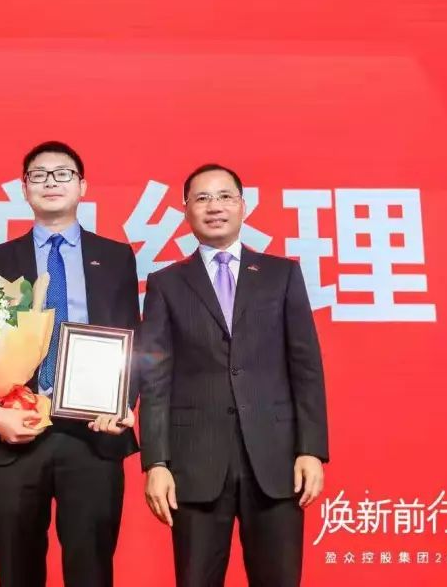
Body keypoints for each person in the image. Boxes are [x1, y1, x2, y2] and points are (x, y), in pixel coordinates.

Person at [137, 164, 330, 587]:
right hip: (195, 464)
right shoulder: (166, 283)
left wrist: (311, 449)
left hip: (276, 460)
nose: (215, 207)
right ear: (186, 210)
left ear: (243, 206)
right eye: (202, 198)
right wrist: (156, 462)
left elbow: (306, 367)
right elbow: (154, 380)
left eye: (225, 196)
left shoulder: (281, 275)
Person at [0, 141, 140, 587]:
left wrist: (122, 402)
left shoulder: (116, 257)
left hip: (92, 434)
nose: (51, 182)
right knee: (16, 571)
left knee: (91, 572)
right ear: (24, 188)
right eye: (39, 175)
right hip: (16, 433)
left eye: (63, 173)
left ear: (82, 186)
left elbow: (133, 337)